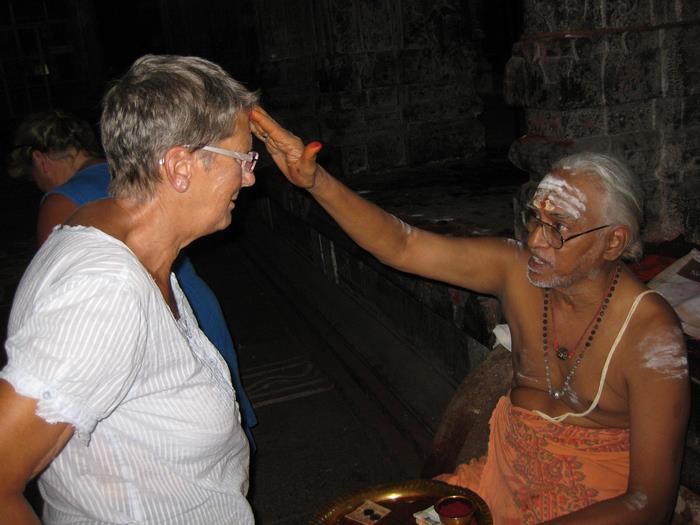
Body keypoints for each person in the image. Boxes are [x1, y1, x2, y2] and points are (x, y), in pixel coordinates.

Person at [250, 107, 691, 524]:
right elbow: (402, 246)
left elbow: (646, 504)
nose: (536, 240)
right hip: (496, 485)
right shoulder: (516, 271)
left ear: (614, 243)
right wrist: (315, 182)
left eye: (558, 228)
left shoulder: (649, 336)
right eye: (534, 219)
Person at [0, 55, 259, 524]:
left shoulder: (131, 240)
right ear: (180, 166)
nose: (250, 177)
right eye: (242, 158)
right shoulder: (105, 290)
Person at [7, 109, 257, 447]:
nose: (249, 178)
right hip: (195, 308)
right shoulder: (128, 173)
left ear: (41, 160)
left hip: (175, 311)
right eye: (241, 160)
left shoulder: (63, 201)